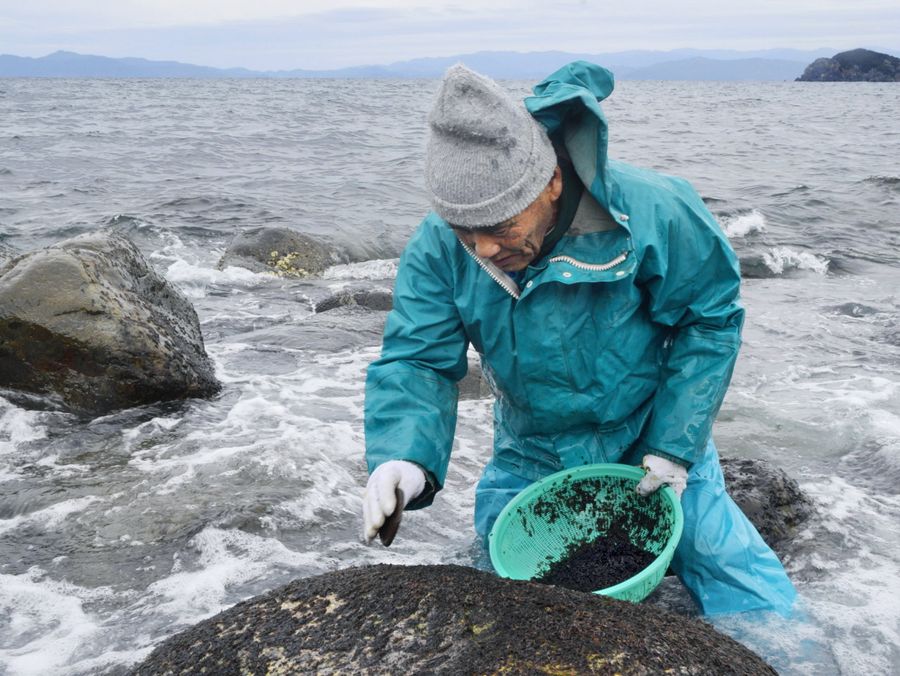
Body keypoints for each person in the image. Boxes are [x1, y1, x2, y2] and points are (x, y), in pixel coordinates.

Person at [361, 61, 796, 616]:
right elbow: (418, 360)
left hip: (649, 441)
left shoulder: (655, 210)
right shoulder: (438, 248)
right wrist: (405, 459)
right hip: (532, 454)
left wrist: (673, 449)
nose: (483, 250)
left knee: (756, 601)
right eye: (464, 232)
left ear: (552, 183)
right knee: (502, 611)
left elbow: (708, 320)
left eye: (499, 227)